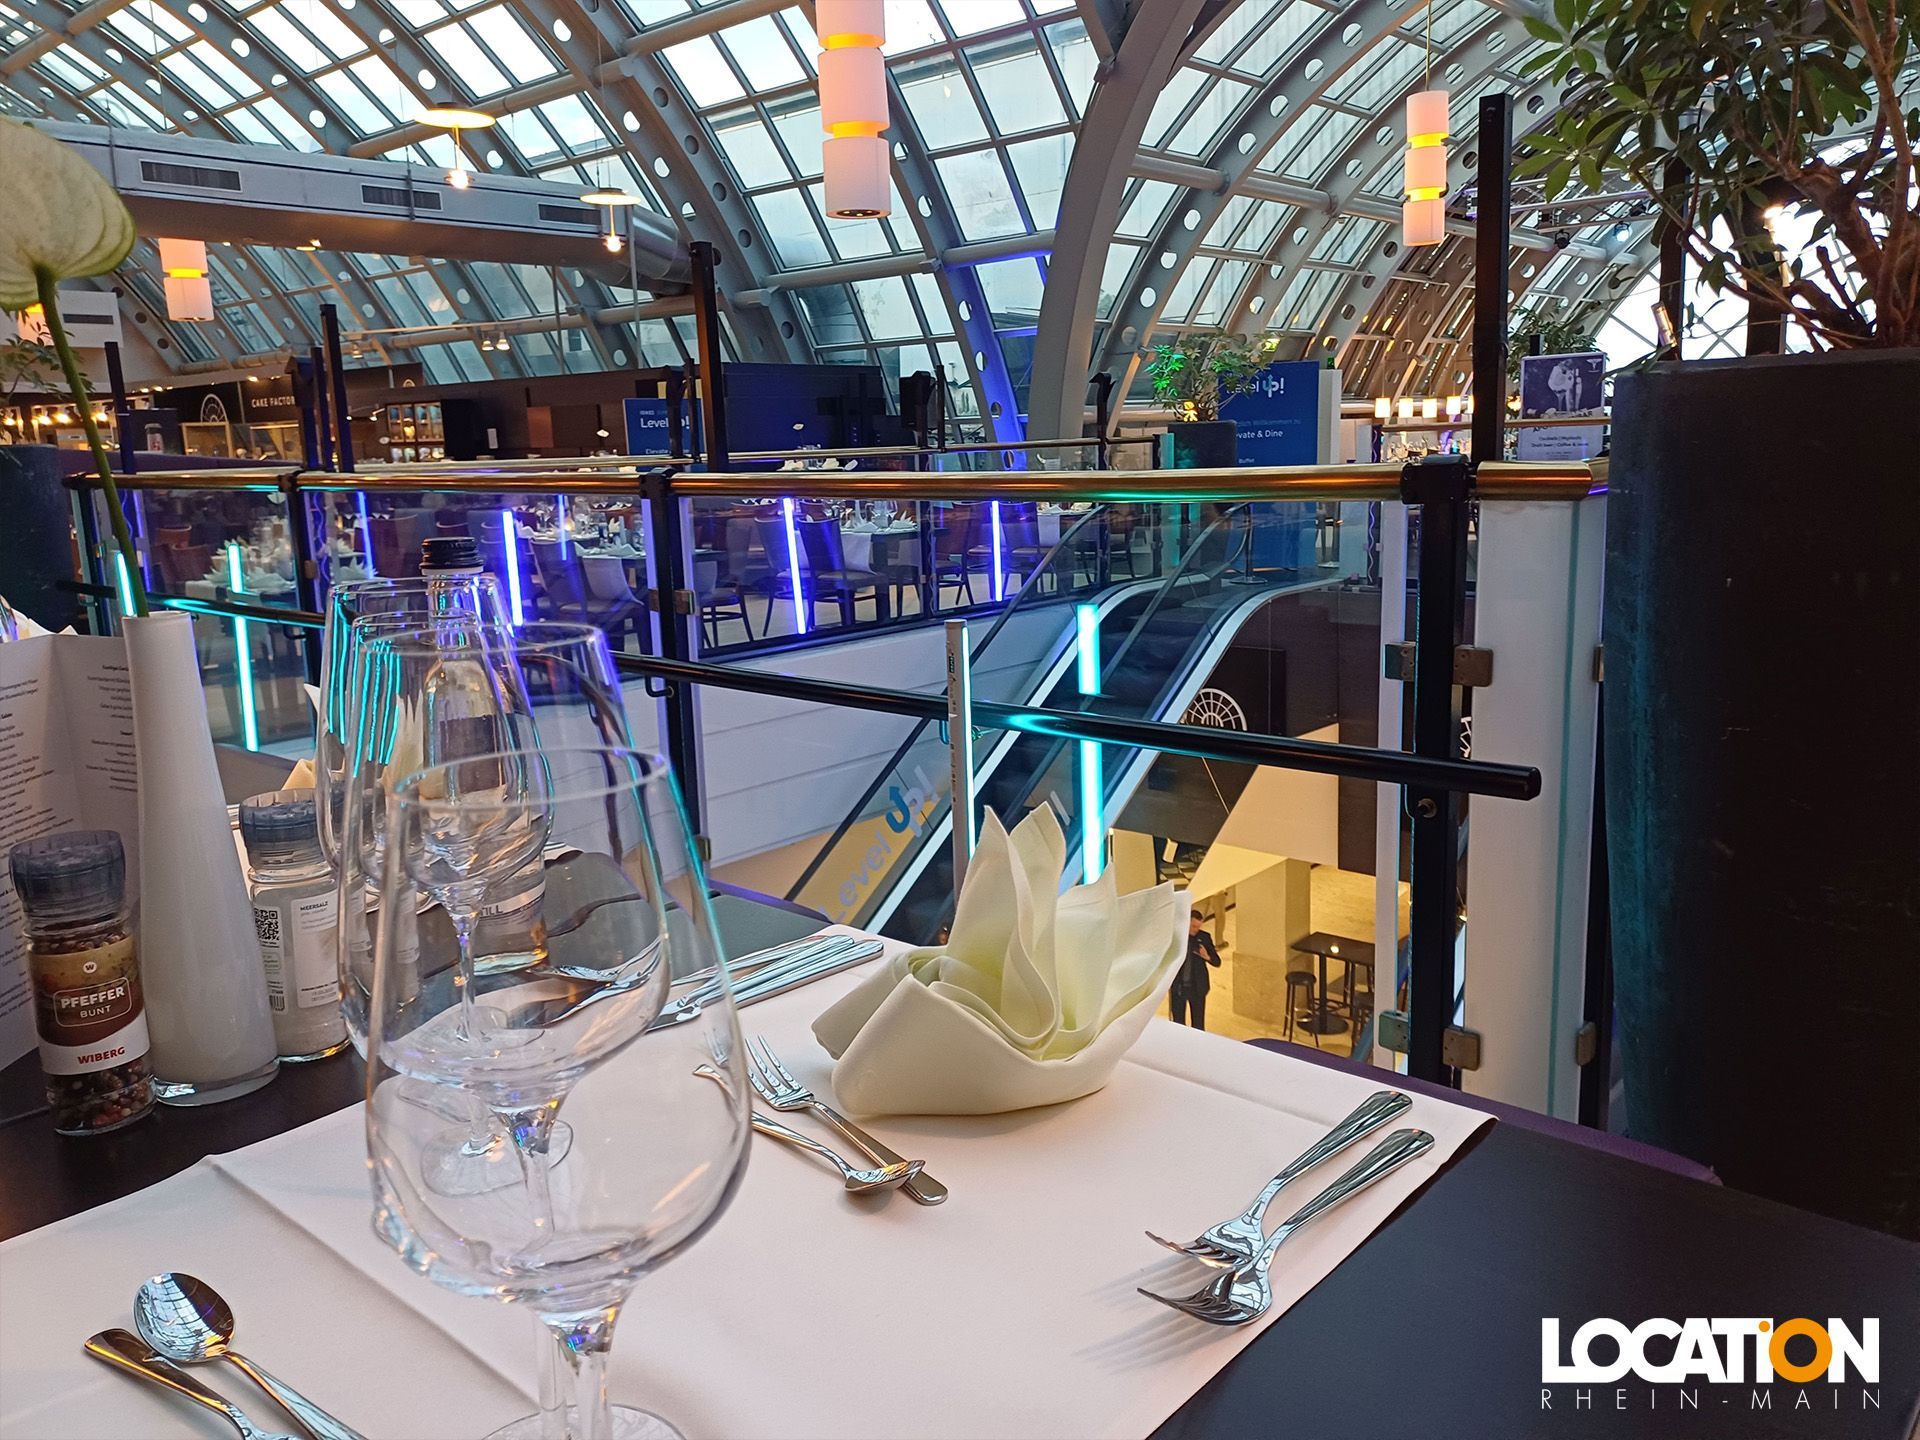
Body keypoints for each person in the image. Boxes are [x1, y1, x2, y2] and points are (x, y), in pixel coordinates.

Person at [1170, 908, 1222, 1030]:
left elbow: (1217, 962)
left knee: (1198, 1024)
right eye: (1193, 926)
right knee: (1178, 1023)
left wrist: (1207, 956)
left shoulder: (1204, 937)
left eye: (1198, 927)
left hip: (1197, 988)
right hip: (1179, 987)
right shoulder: (1177, 937)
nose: (1196, 929)